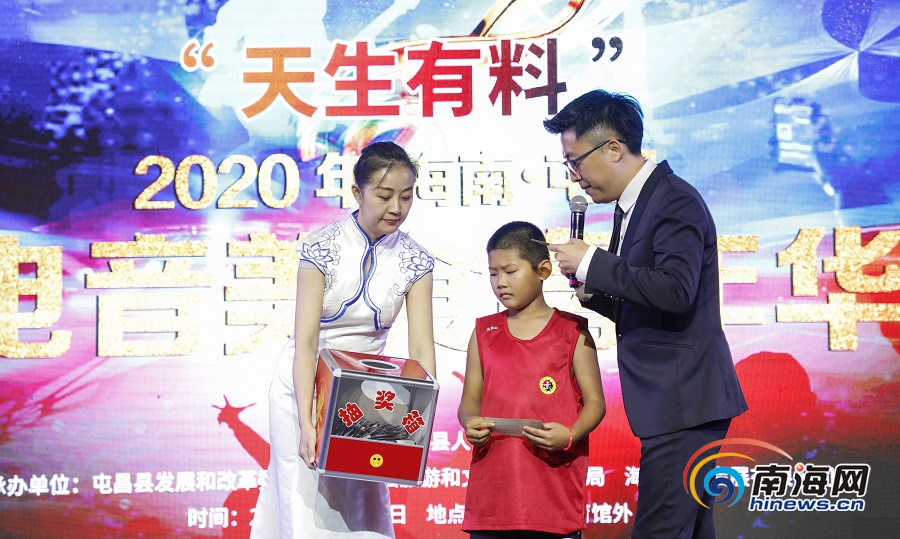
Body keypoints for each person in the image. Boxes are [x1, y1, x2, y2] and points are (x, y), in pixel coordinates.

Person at [543, 89, 748, 538]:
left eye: (575, 162)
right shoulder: (635, 204)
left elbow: (676, 290)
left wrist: (593, 261)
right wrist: (591, 289)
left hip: (684, 401)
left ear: (614, 148)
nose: (575, 176)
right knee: (691, 531)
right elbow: (648, 304)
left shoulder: (673, 200)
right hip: (675, 402)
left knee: (659, 531)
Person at [250, 141, 436, 538]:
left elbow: (422, 351)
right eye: (384, 196)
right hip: (304, 387)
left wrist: (418, 424)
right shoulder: (321, 247)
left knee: (360, 502)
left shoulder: (416, 261)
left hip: (367, 395)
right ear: (357, 192)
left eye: (406, 197)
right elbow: (306, 342)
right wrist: (307, 421)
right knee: (303, 497)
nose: (396, 208)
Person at [458, 221, 607, 539]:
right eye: (493, 273)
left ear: (543, 270)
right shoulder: (483, 332)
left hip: (553, 500)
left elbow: (595, 403)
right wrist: (469, 422)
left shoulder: (573, 331)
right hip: (492, 503)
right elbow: (470, 399)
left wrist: (570, 435)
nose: (500, 282)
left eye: (510, 271)